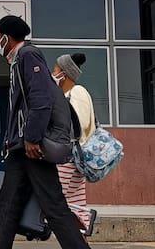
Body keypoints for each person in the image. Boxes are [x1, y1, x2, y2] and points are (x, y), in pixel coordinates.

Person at [0, 15, 90, 249]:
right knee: (7, 207)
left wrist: (32, 138)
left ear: (6, 37)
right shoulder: (17, 61)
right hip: (20, 148)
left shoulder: (28, 55)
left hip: (31, 147)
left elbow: (41, 100)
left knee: (53, 205)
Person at [53, 53, 96, 234]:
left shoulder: (77, 92)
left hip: (69, 158)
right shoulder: (66, 95)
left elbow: (79, 123)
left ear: (64, 73)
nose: (52, 72)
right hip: (73, 159)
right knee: (74, 206)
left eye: (55, 69)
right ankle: (80, 241)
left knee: (53, 202)